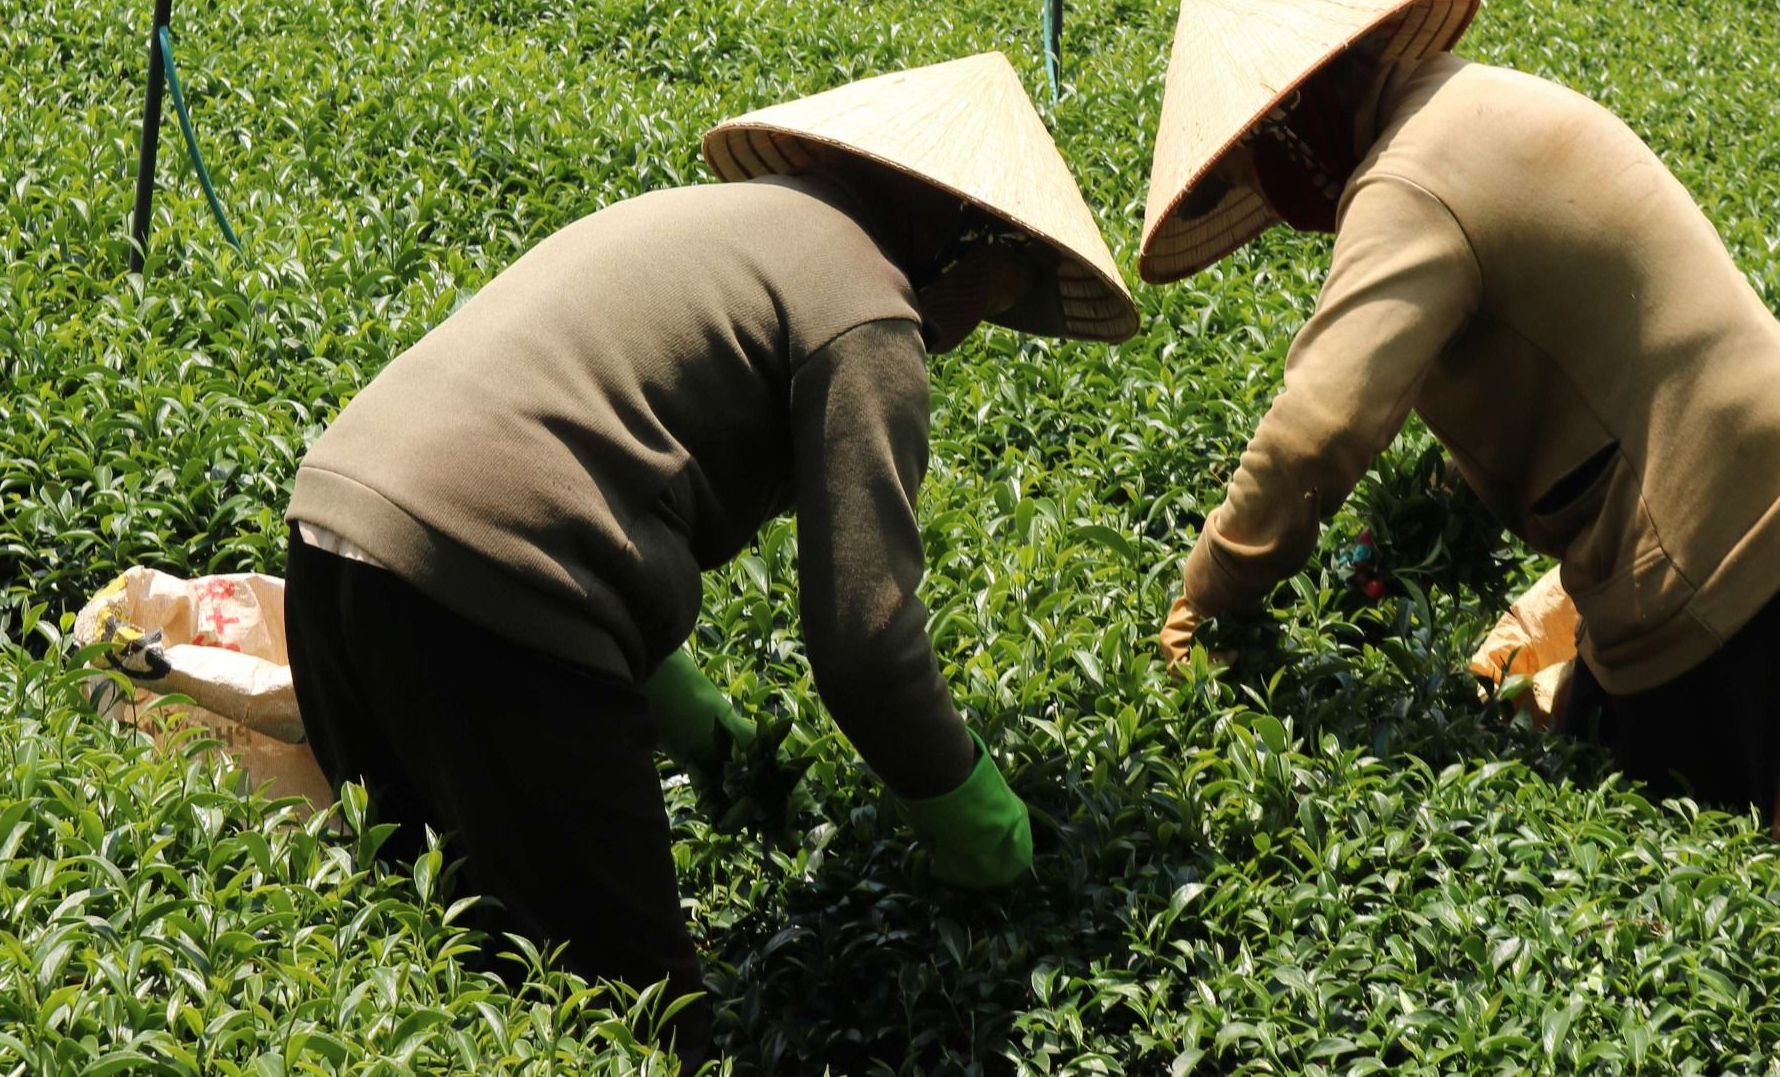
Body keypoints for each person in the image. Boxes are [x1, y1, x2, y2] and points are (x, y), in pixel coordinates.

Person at [282, 52, 1138, 1066]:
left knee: (460, 975)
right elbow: (867, 642)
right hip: (493, 599)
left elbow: (572, 464)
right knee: (640, 1034)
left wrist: (698, 727)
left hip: (335, 543)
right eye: (1016, 273)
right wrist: (984, 831)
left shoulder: (732, 222)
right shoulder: (868, 307)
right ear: (965, 233)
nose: (996, 311)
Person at [1140, 0, 1780, 827]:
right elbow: (1546, 353)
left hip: (1704, 526)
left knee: (1678, 841)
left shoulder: (1409, 181)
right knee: (1596, 737)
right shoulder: (1463, 105)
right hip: (1747, 465)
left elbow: (1315, 431)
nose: (1272, 201)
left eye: (1257, 169)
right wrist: (1406, 534)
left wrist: (1208, 594)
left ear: (1299, 118)